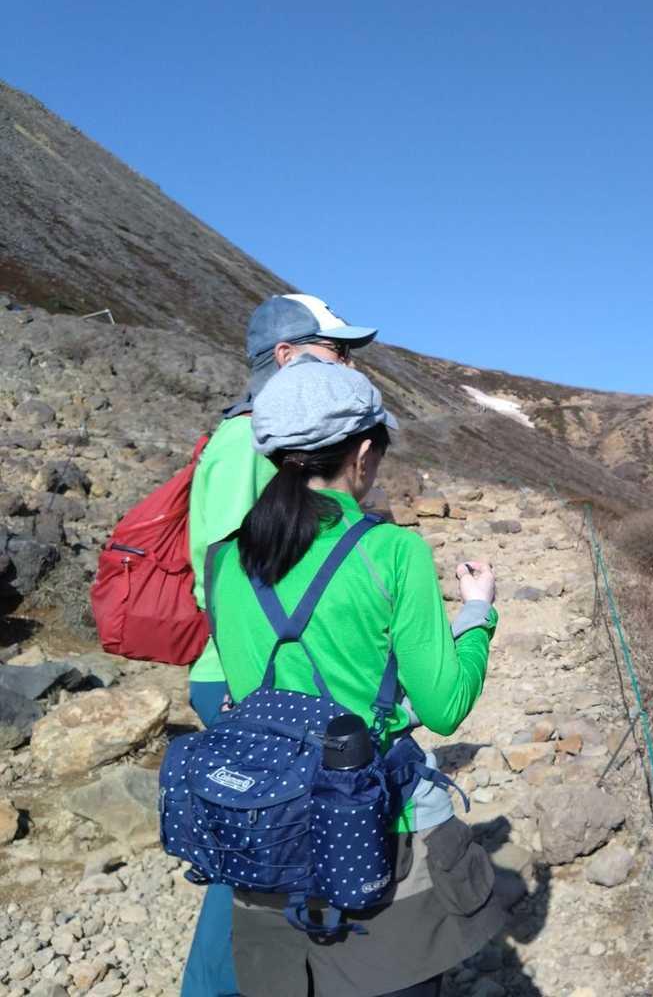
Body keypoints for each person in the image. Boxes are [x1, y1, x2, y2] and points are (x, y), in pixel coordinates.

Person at [206, 360, 505, 996]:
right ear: (364, 454)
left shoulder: (223, 560)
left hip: (267, 837)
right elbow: (445, 705)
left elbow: (255, 691)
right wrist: (477, 613)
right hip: (376, 835)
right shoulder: (393, 551)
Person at [182, 293, 379, 997]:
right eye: (336, 351)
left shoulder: (278, 445)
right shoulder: (246, 445)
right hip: (249, 677)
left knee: (278, 838)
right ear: (287, 356)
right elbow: (221, 577)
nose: (347, 365)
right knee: (252, 850)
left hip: (276, 675)